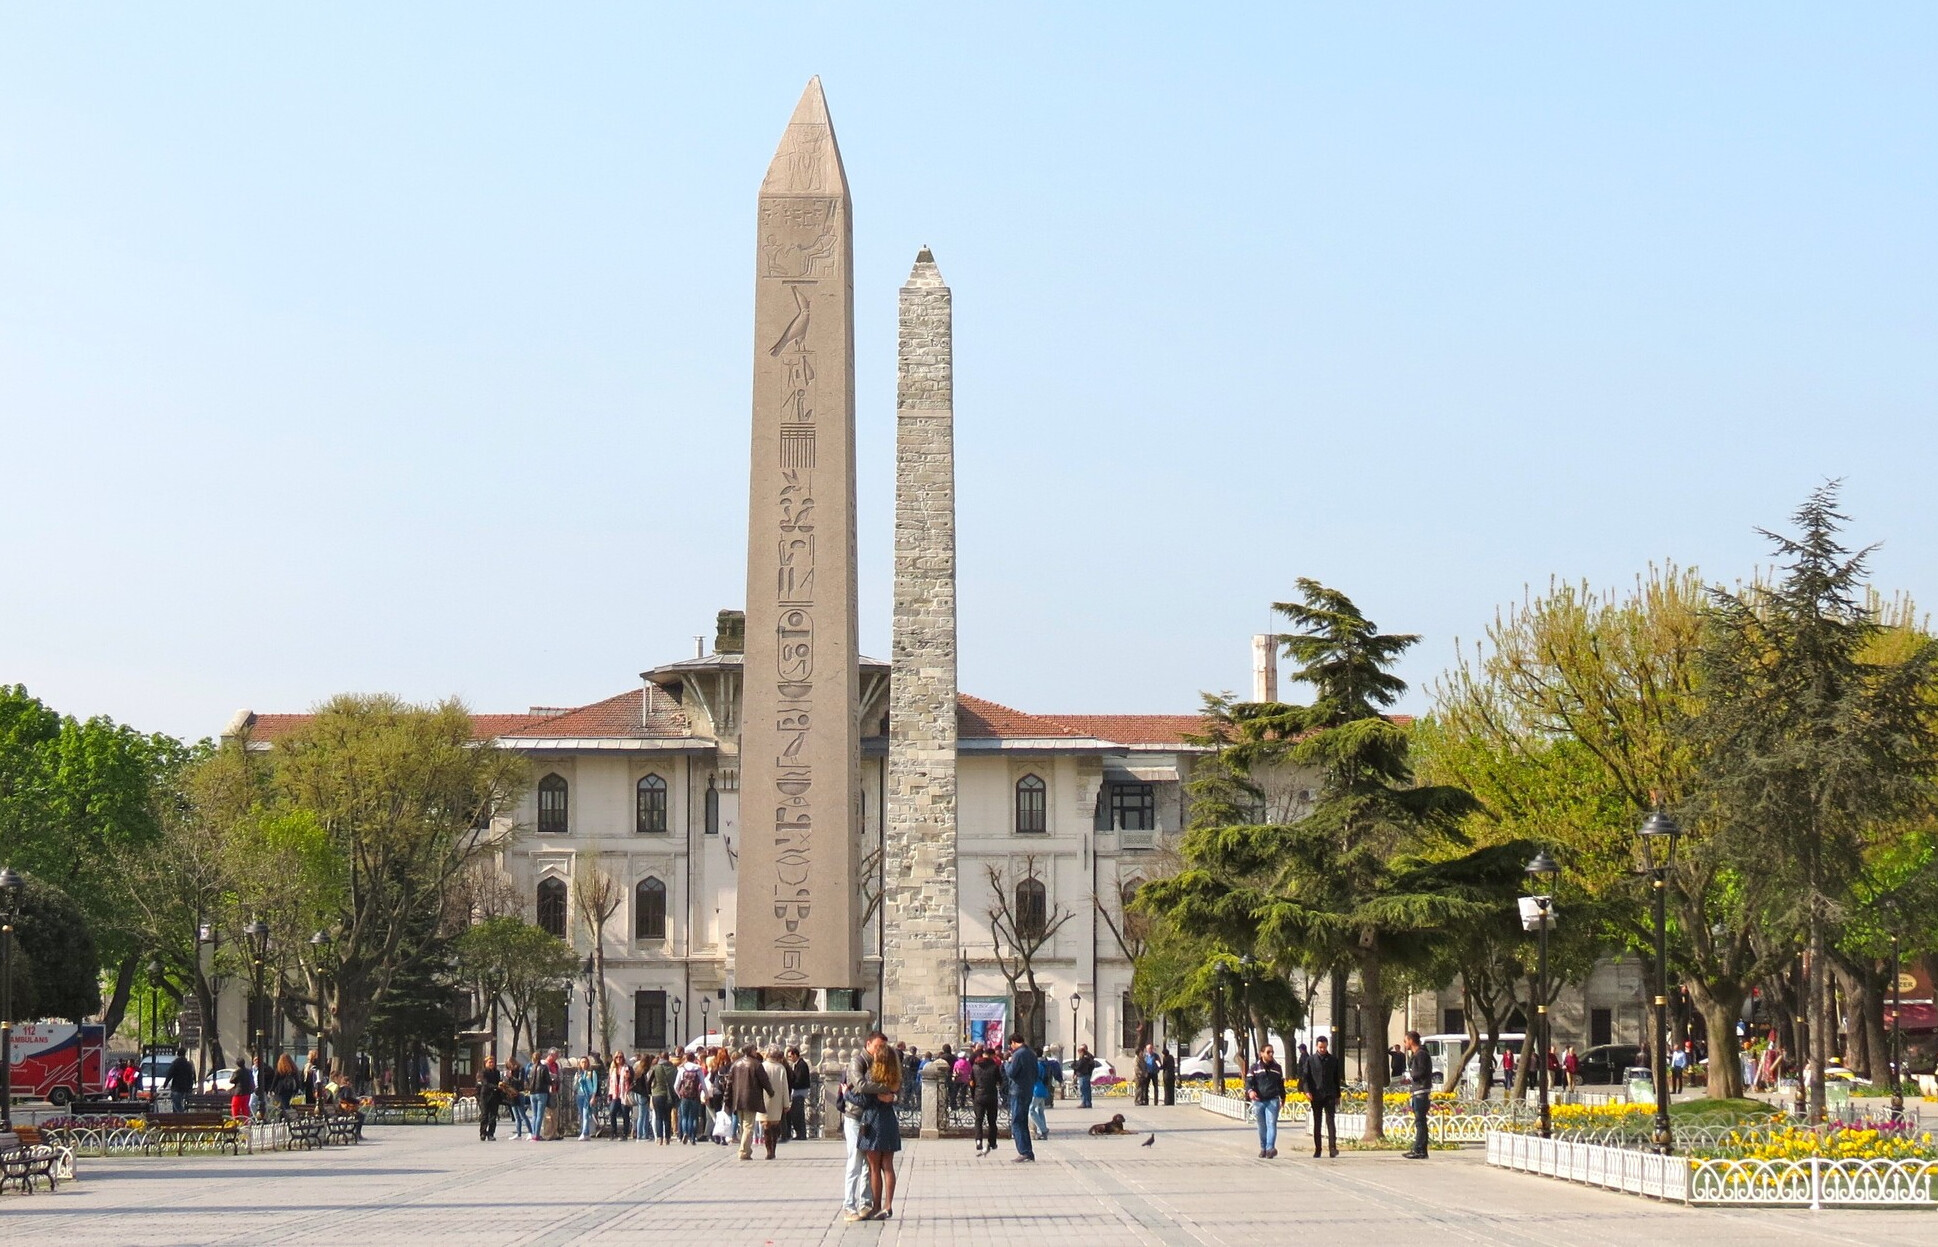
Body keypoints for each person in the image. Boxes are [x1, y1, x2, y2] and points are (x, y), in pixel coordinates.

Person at [842, 1032, 897, 1222]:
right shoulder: (858, 1062)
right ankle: (850, 1206)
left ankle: (867, 1204)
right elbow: (861, 1085)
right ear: (868, 1043)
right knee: (857, 1161)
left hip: (871, 1118)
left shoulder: (879, 1067)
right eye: (878, 1046)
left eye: (883, 1047)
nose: (880, 1049)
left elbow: (863, 1092)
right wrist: (886, 1090)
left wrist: (847, 1094)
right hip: (856, 1117)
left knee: (870, 1165)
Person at [858, 1038, 903, 1220]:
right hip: (889, 1121)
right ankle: (888, 1205)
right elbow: (899, 1096)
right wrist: (891, 1098)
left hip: (872, 1120)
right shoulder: (895, 1078)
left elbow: (863, 1099)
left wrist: (848, 1093)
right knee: (888, 1166)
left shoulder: (872, 1075)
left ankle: (876, 1206)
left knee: (874, 1167)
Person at [727, 1044, 774, 1160]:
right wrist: (770, 1091)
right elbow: (764, 1080)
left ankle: (747, 1150)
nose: (756, 1051)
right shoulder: (756, 1064)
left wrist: (726, 1099)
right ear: (750, 1051)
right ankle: (743, 1151)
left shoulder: (736, 1064)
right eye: (754, 1049)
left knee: (743, 1126)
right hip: (751, 1099)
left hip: (738, 1099)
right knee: (748, 1126)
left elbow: (729, 1083)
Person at [1298, 1036, 1342, 1158]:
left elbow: (1336, 1079)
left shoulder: (1333, 1060)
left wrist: (1338, 1095)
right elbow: (1305, 1077)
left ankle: (1333, 1148)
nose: (1322, 1049)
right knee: (1317, 1122)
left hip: (1329, 1094)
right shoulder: (1310, 1060)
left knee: (1330, 1121)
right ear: (1317, 1046)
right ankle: (1318, 1149)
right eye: (1320, 1047)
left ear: (1327, 1046)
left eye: (1324, 1047)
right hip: (1316, 1095)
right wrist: (1307, 1091)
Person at [1245, 1043, 1286, 1159]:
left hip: (1272, 1100)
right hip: (1259, 1101)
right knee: (1262, 1126)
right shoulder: (1255, 1068)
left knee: (1272, 1124)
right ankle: (1263, 1148)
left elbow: (1280, 1084)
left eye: (1272, 1052)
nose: (1271, 1054)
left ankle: (1270, 1148)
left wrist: (1283, 1097)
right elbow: (1248, 1082)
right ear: (1261, 1053)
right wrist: (1250, 1092)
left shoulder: (1277, 1068)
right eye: (1268, 1052)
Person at [1005, 1035, 1039, 1162]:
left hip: (1017, 1090)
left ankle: (1024, 1151)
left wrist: (1007, 1063)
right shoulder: (1031, 1053)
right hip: (1028, 1089)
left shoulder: (1018, 1054)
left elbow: (1011, 1072)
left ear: (1013, 1042)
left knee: (1017, 1122)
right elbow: (1036, 1073)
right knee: (1023, 1121)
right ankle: (1028, 1152)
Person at [1401, 1031, 1432, 1159]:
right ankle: (1420, 1149)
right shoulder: (1417, 1055)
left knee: (1420, 1121)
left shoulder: (1421, 1055)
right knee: (1420, 1121)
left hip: (1421, 1092)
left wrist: (1411, 1076)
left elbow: (1421, 1072)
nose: (1405, 1044)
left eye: (1405, 1041)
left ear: (1411, 1041)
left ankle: (1419, 1150)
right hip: (1418, 1091)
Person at [970, 1045, 1003, 1155]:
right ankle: (992, 1142)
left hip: (978, 1095)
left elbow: (971, 1083)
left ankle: (978, 1141)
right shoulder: (994, 1067)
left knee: (978, 1120)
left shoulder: (975, 1067)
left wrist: (973, 1095)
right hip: (991, 1095)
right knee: (992, 1121)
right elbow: (1000, 1080)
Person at [760, 1046, 790, 1157]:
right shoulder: (781, 1068)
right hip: (777, 1099)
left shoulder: (762, 1066)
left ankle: (768, 1150)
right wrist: (786, 1103)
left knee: (765, 1125)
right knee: (775, 1124)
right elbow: (785, 1087)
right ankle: (773, 1149)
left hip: (763, 1099)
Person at [675, 1050, 706, 1144]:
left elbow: (676, 1085)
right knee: (694, 1117)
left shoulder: (682, 1068)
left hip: (684, 1095)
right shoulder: (698, 1068)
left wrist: (679, 1093)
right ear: (694, 1059)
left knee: (684, 1116)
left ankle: (685, 1133)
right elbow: (703, 1083)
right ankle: (693, 1137)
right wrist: (706, 1094)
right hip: (695, 1095)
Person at [785, 1046, 812, 1141]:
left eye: (790, 1056)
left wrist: (791, 1083)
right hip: (798, 1091)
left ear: (795, 1055)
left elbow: (799, 1079)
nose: (789, 1058)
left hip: (800, 1091)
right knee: (797, 1113)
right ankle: (800, 1133)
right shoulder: (797, 1064)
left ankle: (801, 1134)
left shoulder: (801, 1065)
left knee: (797, 1113)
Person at [528, 1052, 554, 1142]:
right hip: (541, 1092)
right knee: (540, 1115)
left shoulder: (531, 1068)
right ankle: (537, 1135)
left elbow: (529, 1080)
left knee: (534, 1115)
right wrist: (552, 1082)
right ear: (541, 1058)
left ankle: (533, 1134)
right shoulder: (543, 1068)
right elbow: (547, 1080)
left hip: (532, 1093)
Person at [502, 1057, 531, 1139]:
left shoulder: (521, 1069)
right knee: (516, 1116)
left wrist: (511, 1077)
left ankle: (530, 1132)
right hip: (511, 1094)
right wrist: (506, 1079)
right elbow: (507, 1082)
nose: (509, 1067)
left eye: (510, 1065)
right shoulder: (509, 1071)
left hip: (519, 1093)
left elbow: (520, 1082)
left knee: (522, 1114)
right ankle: (518, 1134)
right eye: (508, 1066)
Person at [477, 1055, 502, 1141]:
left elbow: (499, 1082)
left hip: (495, 1096)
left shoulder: (497, 1072)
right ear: (486, 1063)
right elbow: (485, 1083)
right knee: (484, 1115)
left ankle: (491, 1134)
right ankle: (483, 1133)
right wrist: (496, 1087)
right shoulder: (483, 1072)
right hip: (485, 1095)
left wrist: (501, 1086)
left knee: (493, 1116)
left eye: (493, 1062)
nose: (492, 1064)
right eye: (489, 1062)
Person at [608, 1052, 633, 1140]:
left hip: (624, 1094)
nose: (619, 1059)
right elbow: (610, 1082)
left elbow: (632, 1080)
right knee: (612, 1112)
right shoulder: (613, 1069)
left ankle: (624, 1133)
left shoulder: (627, 1068)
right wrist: (609, 1094)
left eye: (620, 1057)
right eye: (617, 1057)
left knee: (625, 1114)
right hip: (615, 1094)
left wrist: (628, 1078)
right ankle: (613, 1132)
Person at [165, 1050, 196, 1115]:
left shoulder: (175, 1063)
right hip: (186, 1087)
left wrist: (165, 1084)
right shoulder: (188, 1064)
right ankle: (178, 1117)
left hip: (176, 1087)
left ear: (177, 1054)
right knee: (179, 1102)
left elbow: (170, 1074)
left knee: (176, 1103)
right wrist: (190, 1086)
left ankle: (182, 1115)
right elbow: (191, 1076)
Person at [1030, 1053, 1052, 1140]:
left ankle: (1043, 1129)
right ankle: (1041, 1131)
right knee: (1040, 1110)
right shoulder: (1044, 1064)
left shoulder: (1036, 1065)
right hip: (1043, 1088)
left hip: (1036, 1089)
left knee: (1031, 1110)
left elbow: (1033, 1077)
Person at [229, 1052, 257, 1120]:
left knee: (235, 1107)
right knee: (245, 1107)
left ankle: (236, 1120)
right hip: (247, 1092)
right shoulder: (249, 1071)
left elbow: (231, 1080)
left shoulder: (237, 1072)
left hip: (238, 1092)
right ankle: (246, 1121)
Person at [272, 1053, 300, 1118]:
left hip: (282, 1090)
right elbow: (297, 1080)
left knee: (285, 1105)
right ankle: (281, 1118)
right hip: (290, 1090)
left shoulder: (280, 1069)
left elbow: (275, 1080)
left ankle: (289, 1118)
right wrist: (297, 1089)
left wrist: (272, 1089)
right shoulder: (293, 1068)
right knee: (283, 1104)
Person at [1134, 1041, 1154, 1106]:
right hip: (1138, 1077)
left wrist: (1146, 1072)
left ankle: (1142, 1100)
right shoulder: (1136, 1059)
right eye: (1141, 1052)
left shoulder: (1142, 1058)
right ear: (1138, 1053)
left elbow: (1145, 1066)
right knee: (1138, 1089)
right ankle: (1137, 1100)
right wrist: (1142, 1073)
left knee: (1143, 1089)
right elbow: (1136, 1068)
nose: (1142, 1053)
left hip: (1143, 1076)